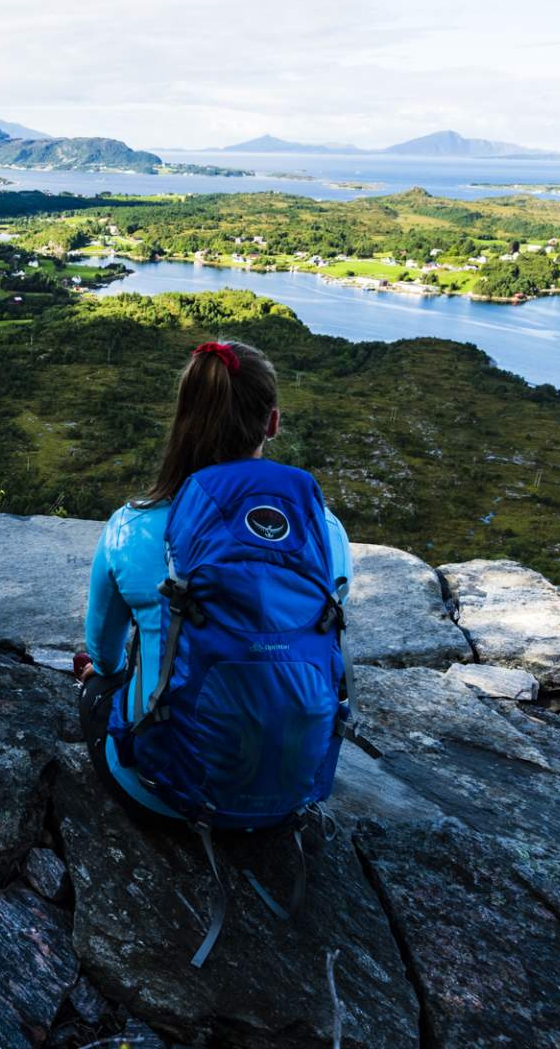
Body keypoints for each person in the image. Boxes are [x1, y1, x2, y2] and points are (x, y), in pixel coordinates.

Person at [78, 339, 352, 825]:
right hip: (287, 795)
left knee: (99, 684)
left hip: (160, 789)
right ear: (272, 422)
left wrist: (109, 672)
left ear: (184, 418)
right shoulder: (323, 533)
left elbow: (104, 652)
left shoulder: (130, 526)